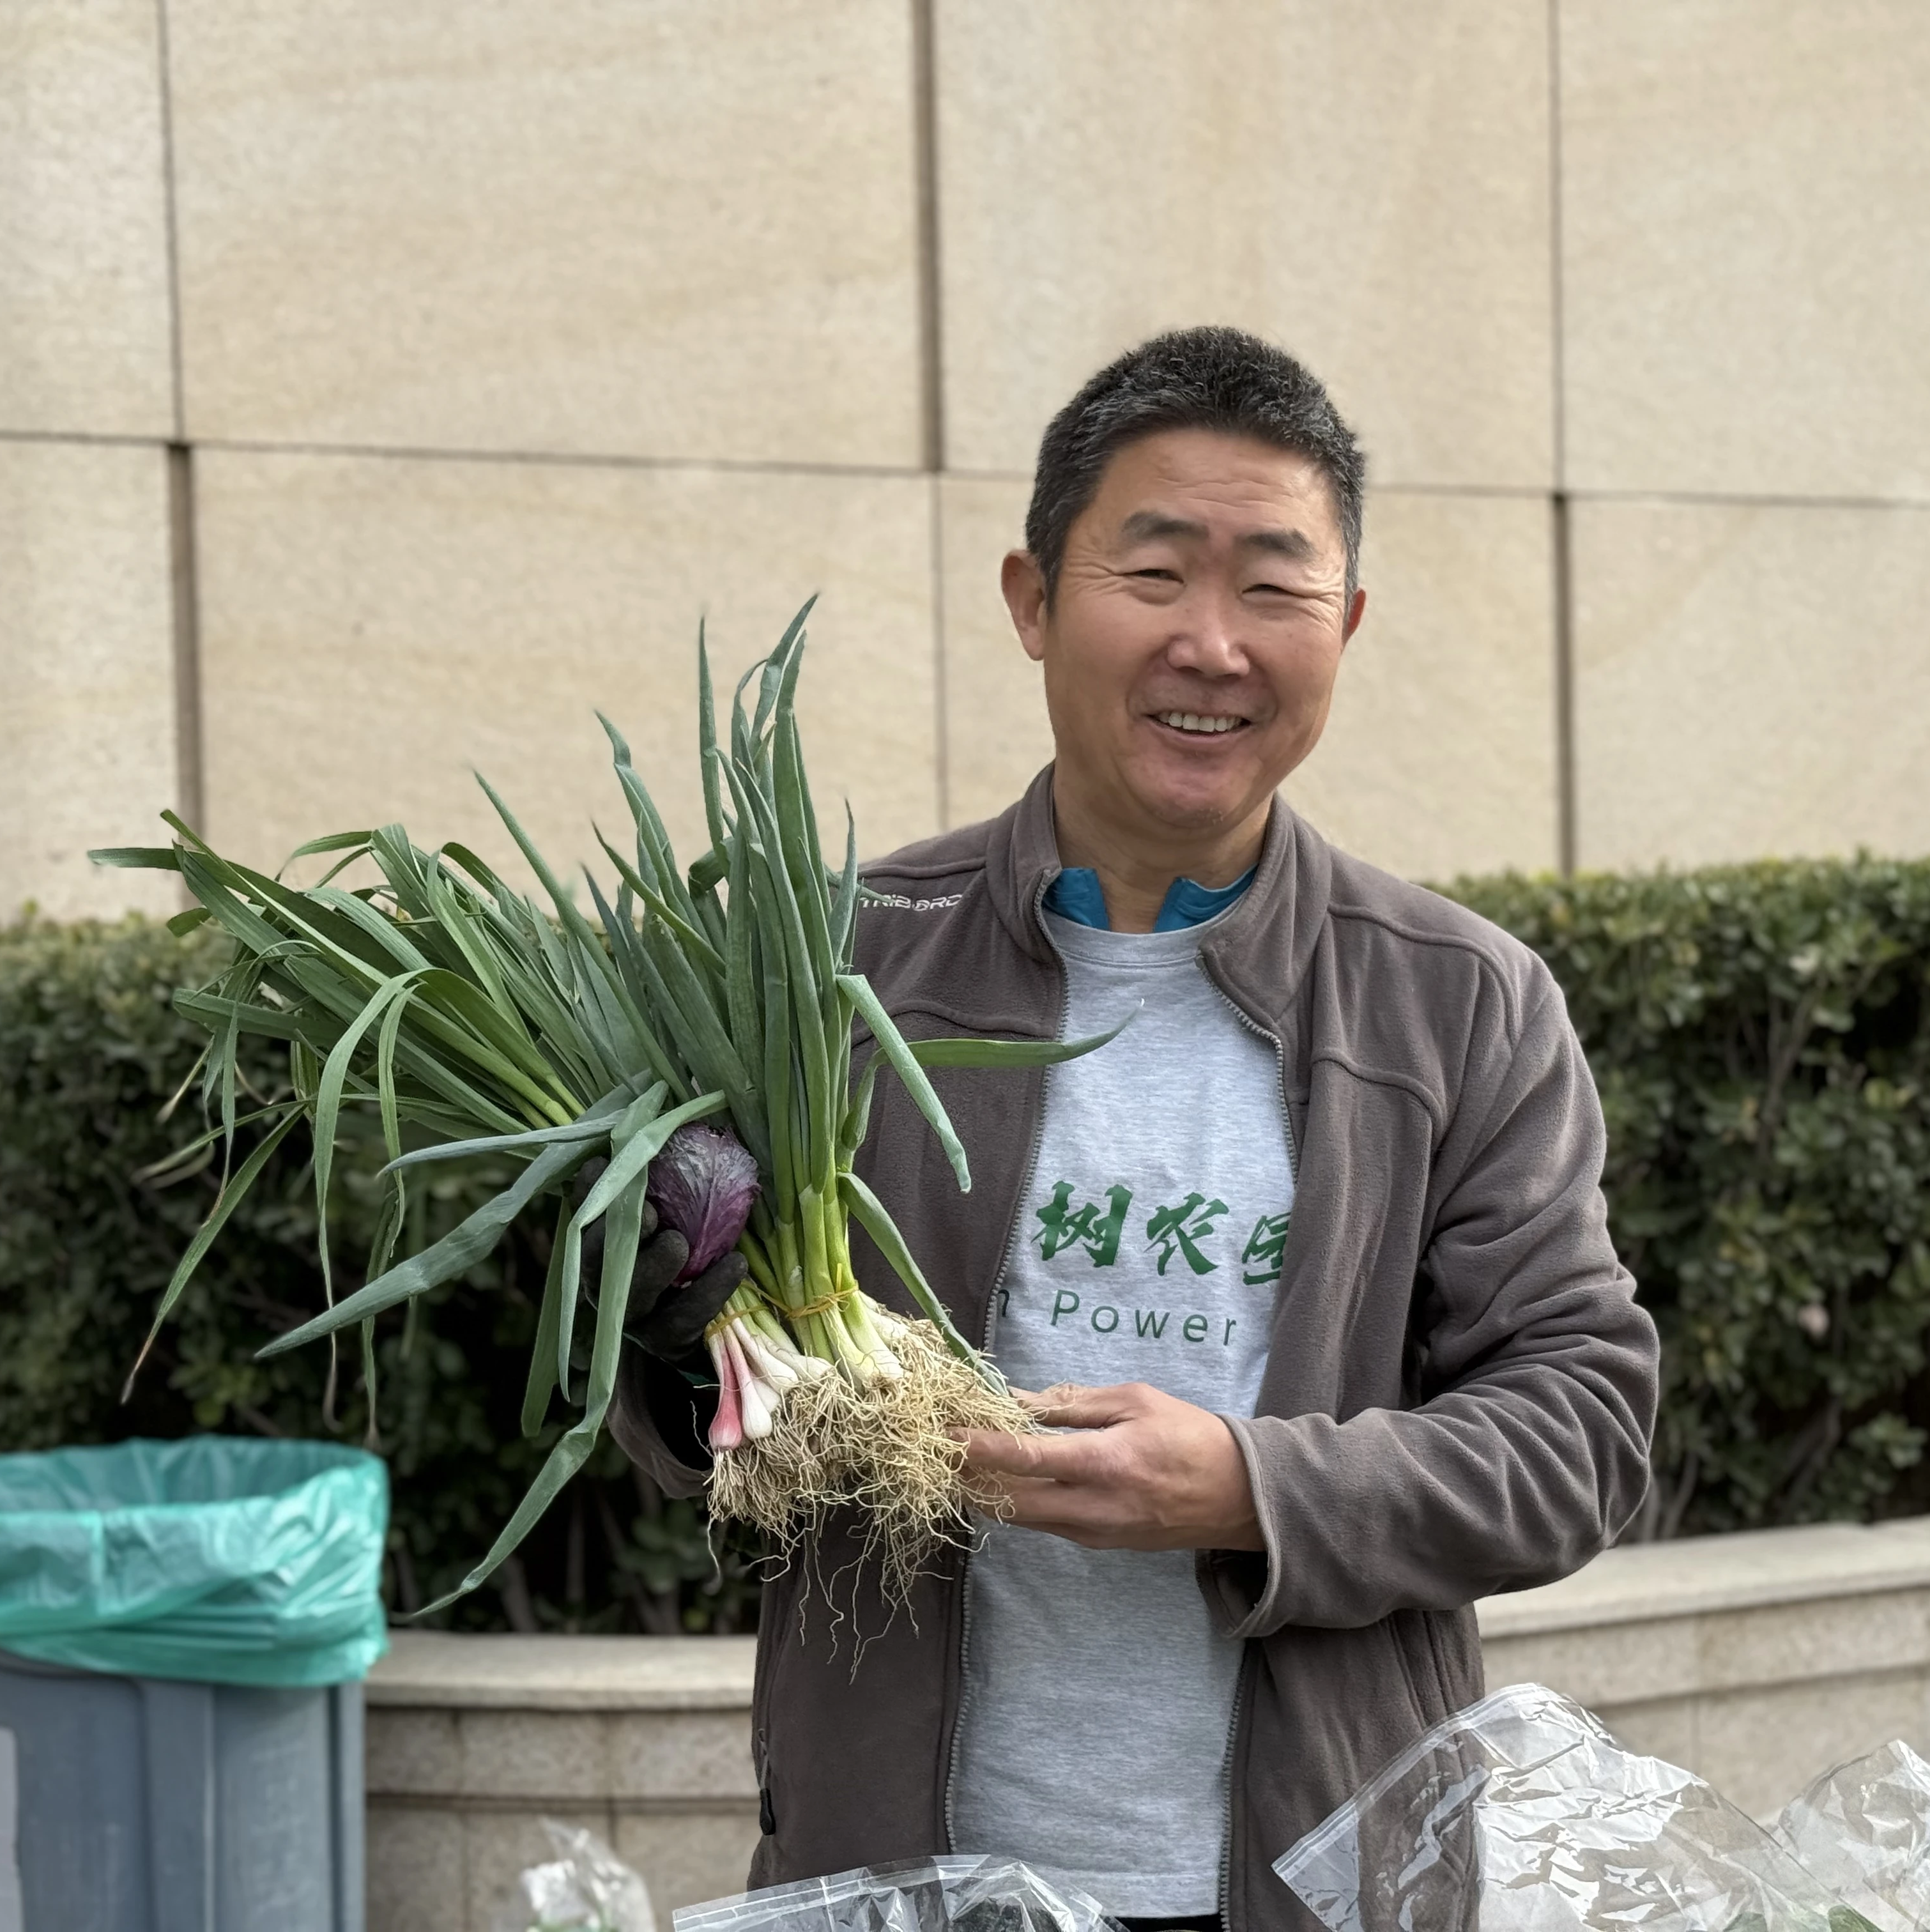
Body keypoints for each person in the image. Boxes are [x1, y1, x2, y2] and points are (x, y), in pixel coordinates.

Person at [608, 326, 1658, 1932]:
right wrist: (687, 1338)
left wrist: (1252, 1488)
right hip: (903, 1881)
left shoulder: (1457, 1003)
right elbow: (684, 1429)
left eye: (1274, 587)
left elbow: (1580, 1430)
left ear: (1348, 626)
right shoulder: (834, 963)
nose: (1213, 645)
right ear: (1034, 599)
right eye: (1155, 572)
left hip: (1316, 1883)